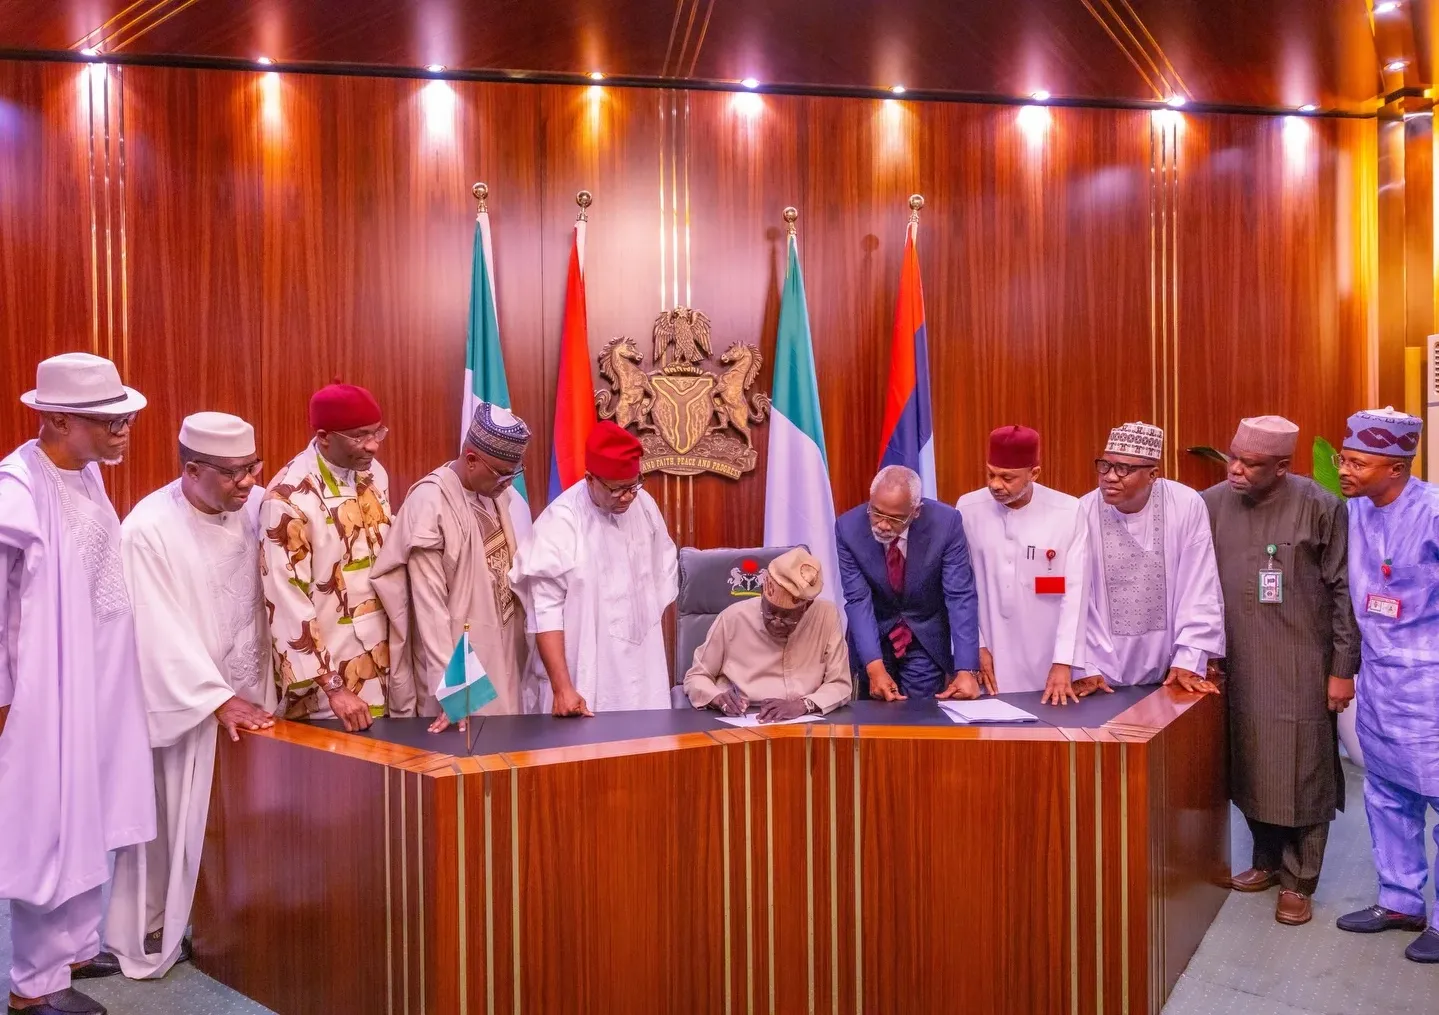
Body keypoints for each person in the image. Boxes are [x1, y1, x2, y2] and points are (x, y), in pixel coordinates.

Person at [0, 353, 156, 1015]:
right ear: (58, 417)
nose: (124, 428)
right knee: (49, 827)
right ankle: (32, 987)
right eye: (108, 418)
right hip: (47, 690)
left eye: (125, 415)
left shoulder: (87, 474)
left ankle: (59, 965)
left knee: (86, 818)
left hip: (96, 684)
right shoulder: (17, 487)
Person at [106, 412, 276, 978]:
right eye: (233, 474)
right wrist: (215, 699)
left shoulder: (256, 507)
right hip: (192, 705)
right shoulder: (147, 530)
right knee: (174, 819)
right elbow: (153, 630)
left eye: (253, 468)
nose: (248, 483)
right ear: (192, 468)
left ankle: (232, 923)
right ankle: (158, 923)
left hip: (258, 692)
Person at [1202, 415, 1359, 927]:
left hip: (1301, 662)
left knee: (1305, 771)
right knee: (1249, 764)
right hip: (1235, 663)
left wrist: (1342, 669)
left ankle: (1299, 881)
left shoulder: (1321, 506)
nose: (1237, 470)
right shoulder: (1210, 504)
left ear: (1282, 467)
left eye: (1251, 463)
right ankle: (1266, 862)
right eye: (1233, 457)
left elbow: (1344, 593)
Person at [1332, 407, 1439, 963]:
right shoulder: (1353, 512)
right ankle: (1400, 900)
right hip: (1379, 681)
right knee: (1387, 794)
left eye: (1357, 462)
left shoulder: (1434, 512)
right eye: (1342, 459)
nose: (1343, 470)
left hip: (1432, 684)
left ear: (1396, 468)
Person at [373, 402, 534, 729]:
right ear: (472, 460)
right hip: (458, 666)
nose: (508, 484)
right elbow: (430, 610)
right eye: (502, 474)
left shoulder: (494, 493)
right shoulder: (430, 503)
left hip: (501, 652)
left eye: (514, 473)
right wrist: (456, 692)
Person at [510, 421, 677, 715]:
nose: (627, 497)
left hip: (644, 662)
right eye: (616, 490)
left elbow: (660, 573)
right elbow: (544, 613)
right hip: (586, 668)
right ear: (590, 479)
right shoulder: (561, 522)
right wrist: (563, 689)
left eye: (633, 485)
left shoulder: (644, 505)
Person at [260, 382, 392, 732]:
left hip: (385, 667)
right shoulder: (288, 499)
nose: (373, 445)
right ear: (323, 437)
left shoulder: (374, 475)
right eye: (360, 436)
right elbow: (285, 598)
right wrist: (333, 686)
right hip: (330, 691)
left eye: (377, 432)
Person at [1078, 422, 1224, 696]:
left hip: (1169, 675)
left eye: (1124, 469)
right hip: (1100, 678)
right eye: (1105, 466)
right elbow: (1077, 601)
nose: (1110, 477)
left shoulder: (1185, 504)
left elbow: (1199, 583)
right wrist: (1085, 666)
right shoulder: (1082, 512)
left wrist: (1189, 659)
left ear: (1153, 474)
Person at [957, 425, 1089, 704]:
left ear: (1035, 473)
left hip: (1047, 659)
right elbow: (960, 587)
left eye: (1007, 478)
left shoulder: (1068, 511)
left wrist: (1064, 661)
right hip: (988, 655)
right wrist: (974, 647)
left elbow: (1075, 593)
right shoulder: (967, 508)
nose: (995, 484)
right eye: (991, 474)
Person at [836, 465, 981, 701]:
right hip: (875, 634)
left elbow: (960, 595)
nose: (882, 524)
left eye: (894, 518)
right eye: (876, 512)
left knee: (921, 717)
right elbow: (857, 599)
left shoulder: (946, 524)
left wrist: (966, 669)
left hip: (924, 633)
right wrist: (875, 668)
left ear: (915, 512)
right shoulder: (848, 528)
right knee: (875, 718)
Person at [683, 547, 851, 720]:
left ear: (806, 607)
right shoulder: (732, 618)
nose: (776, 622)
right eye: (770, 612)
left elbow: (840, 683)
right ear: (762, 593)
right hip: (745, 718)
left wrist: (802, 705)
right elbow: (696, 676)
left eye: (787, 616)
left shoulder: (826, 615)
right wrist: (717, 698)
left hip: (806, 716)